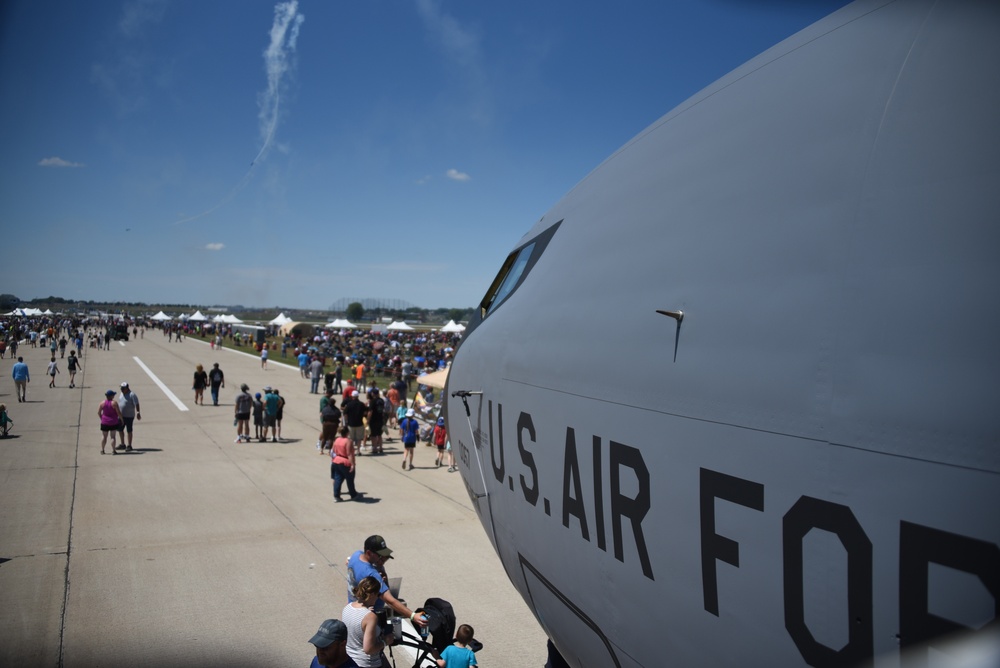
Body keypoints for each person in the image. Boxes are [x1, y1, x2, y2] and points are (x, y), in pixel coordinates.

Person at [345, 535, 428, 629]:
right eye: (379, 555)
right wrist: (413, 616)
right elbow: (390, 601)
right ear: (369, 553)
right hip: (368, 617)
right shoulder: (371, 574)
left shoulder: (356, 555)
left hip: (352, 608)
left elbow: (349, 561)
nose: (381, 558)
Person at [343, 576, 396, 667]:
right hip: (367, 663)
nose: (378, 598)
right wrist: (385, 641)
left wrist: (367, 611)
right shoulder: (370, 617)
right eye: (377, 594)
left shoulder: (347, 607)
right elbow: (368, 649)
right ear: (372, 595)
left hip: (349, 660)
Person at [331, 426, 357, 501]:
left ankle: (336, 496)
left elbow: (334, 450)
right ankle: (353, 495)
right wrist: (352, 464)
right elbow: (349, 454)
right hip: (345, 461)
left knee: (338, 478)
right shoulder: (348, 441)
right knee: (350, 479)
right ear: (347, 432)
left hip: (336, 460)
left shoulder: (337, 439)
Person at [116, 382, 141, 451]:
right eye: (121, 388)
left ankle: (129, 445)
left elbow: (137, 404)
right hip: (121, 416)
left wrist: (138, 412)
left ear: (127, 388)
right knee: (120, 430)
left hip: (129, 416)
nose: (121, 389)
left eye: (123, 388)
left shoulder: (132, 395)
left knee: (129, 430)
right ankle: (122, 444)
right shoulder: (121, 394)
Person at [98, 389, 123, 455]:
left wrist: (102, 418)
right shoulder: (114, 403)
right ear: (111, 396)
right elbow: (118, 412)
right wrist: (121, 420)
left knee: (104, 436)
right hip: (113, 422)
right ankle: (113, 450)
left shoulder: (102, 403)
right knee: (113, 437)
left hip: (104, 422)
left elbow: (98, 412)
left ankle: (102, 450)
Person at [342, 390, 366, 455]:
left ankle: (351, 450)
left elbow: (345, 414)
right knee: (359, 438)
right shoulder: (361, 404)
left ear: (352, 396)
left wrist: (346, 422)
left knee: (351, 438)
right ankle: (358, 450)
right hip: (359, 423)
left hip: (351, 423)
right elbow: (365, 412)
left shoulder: (349, 404)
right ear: (358, 396)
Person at [319, 391, 341, 455]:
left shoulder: (325, 409)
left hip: (326, 424)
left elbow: (321, 415)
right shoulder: (336, 409)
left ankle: (321, 450)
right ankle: (329, 451)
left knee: (325, 437)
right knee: (331, 438)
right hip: (334, 424)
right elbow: (339, 416)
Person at [366, 389, 385, 455]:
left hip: (373, 420)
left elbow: (370, 411)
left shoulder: (372, 401)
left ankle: (374, 448)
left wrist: (368, 420)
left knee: (373, 435)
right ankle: (380, 448)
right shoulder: (381, 400)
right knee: (379, 434)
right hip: (380, 419)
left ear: (373, 394)